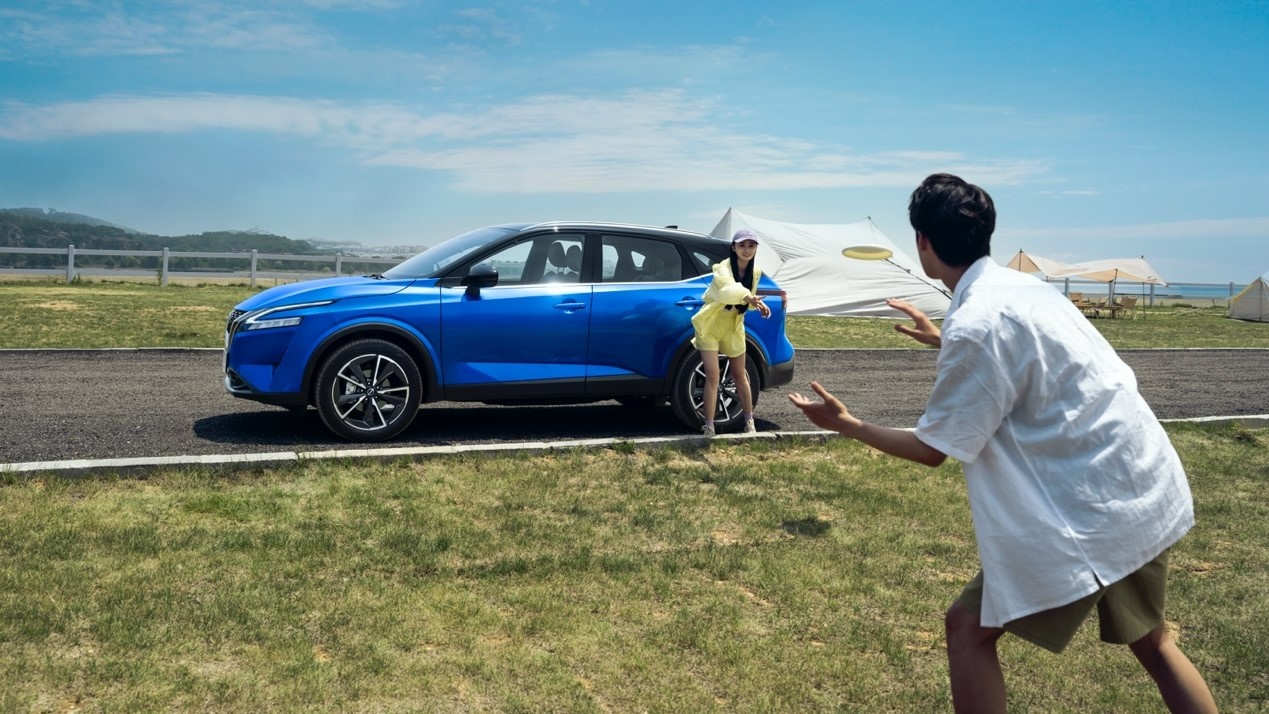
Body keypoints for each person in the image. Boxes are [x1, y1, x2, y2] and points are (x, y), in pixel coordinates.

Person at [789, 174, 1217, 713]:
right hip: (1140, 482)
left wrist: (848, 424)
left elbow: (933, 448)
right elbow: (1023, 353)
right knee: (1153, 643)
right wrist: (944, 337)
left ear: (923, 241)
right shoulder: (1025, 289)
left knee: (967, 630)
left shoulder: (976, 323)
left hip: (1087, 510)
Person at [690, 228, 772, 437]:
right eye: (742, 245)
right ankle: (709, 427)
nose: (747, 250)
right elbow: (727, 291)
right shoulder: (722, 268)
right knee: (713, 376)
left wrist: (758, 305)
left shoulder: (755, 272)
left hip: (734, 325)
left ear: (756, 248)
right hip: (711, 323)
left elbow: (749, 301)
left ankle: (749, 423)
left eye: (751, 245)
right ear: (733, 248)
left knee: (739, 375)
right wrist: (749, 297)